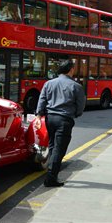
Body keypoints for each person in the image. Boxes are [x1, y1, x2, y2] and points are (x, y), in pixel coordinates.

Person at [34, 59, 86, 187]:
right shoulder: (76, 86)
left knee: (52, 146)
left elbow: (42, 100)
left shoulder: (49, 83)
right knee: (59, 149)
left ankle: (51, 172)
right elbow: (81, 105)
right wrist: (76, 114)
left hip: (50, 119)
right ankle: (50, 178)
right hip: (64, 119)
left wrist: (38, 116)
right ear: (71, 70)